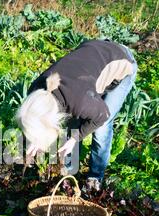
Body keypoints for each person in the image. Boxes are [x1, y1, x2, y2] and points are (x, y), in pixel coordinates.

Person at [16, 39, 138, 192]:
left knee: (101, 128)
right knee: (73, 121)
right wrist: (35, 139)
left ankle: (95, 177)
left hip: (121, 61)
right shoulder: (36, 90)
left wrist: (76, 137)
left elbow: (102, 116)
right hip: (91, 56)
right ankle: (69, 169)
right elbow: (35, 119)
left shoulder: (79, 101)